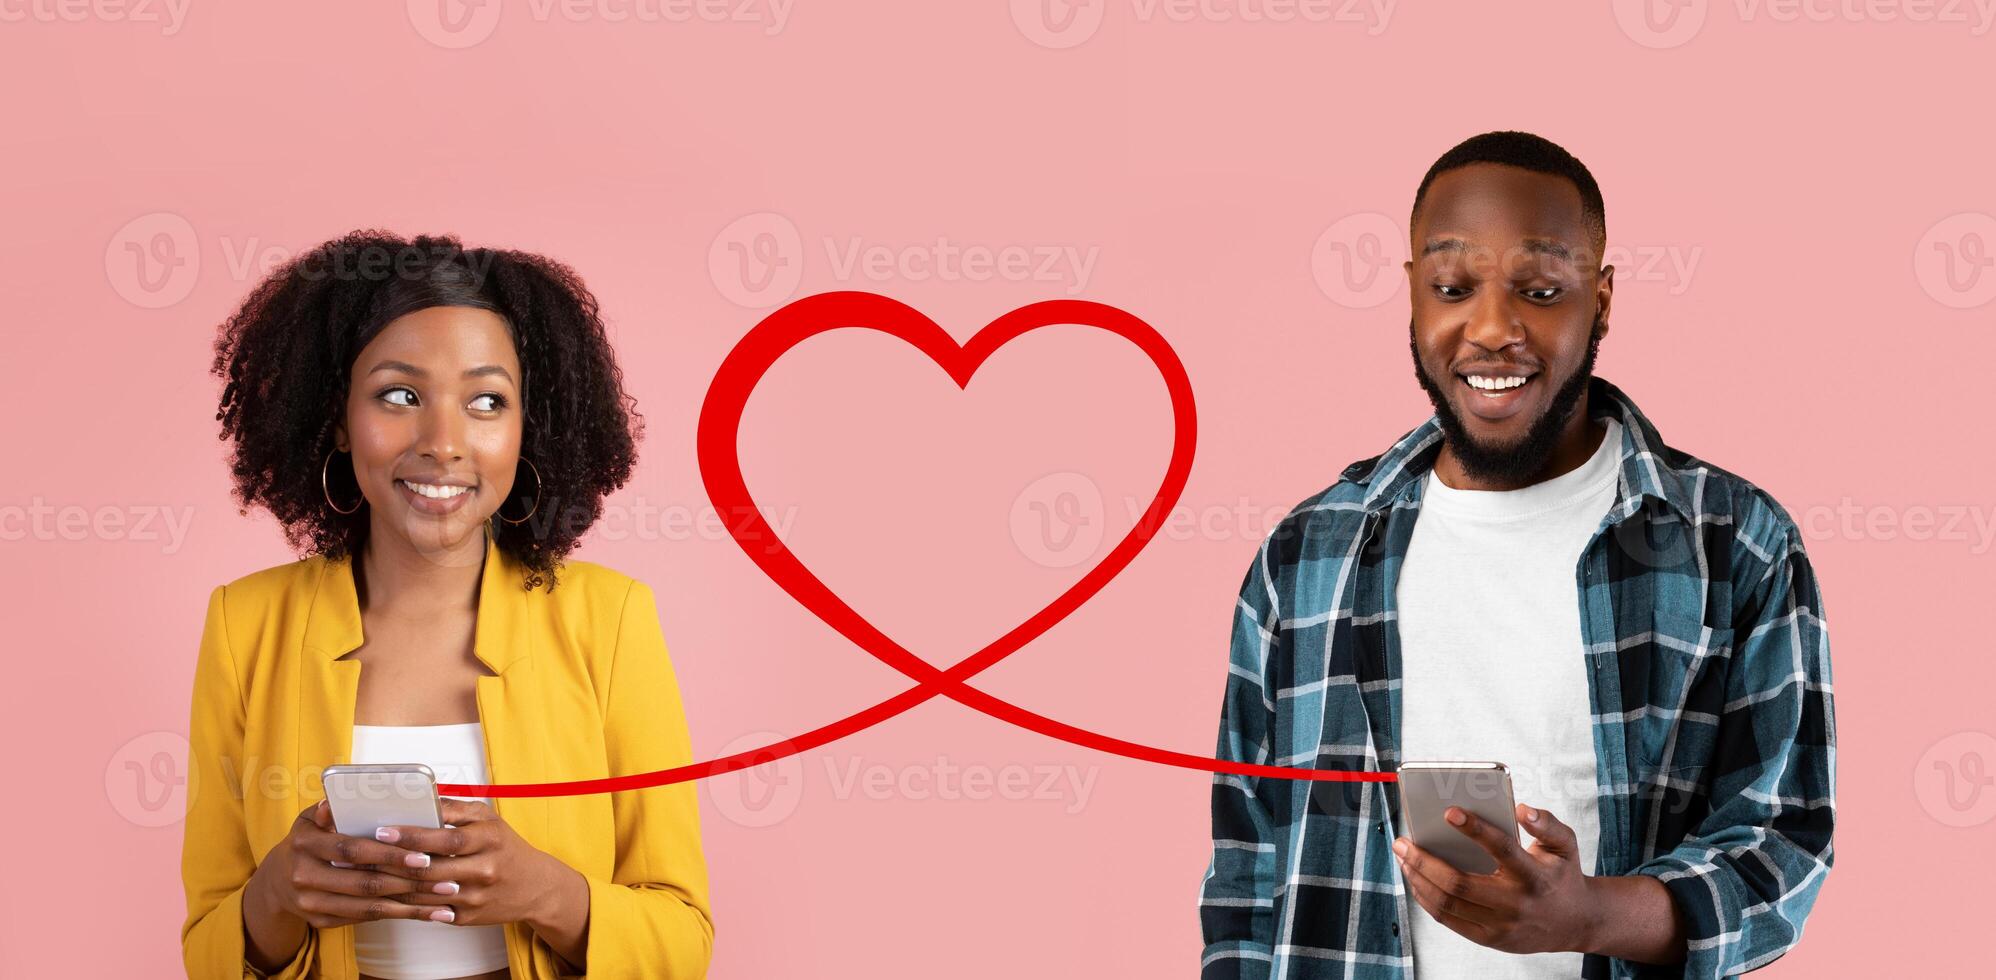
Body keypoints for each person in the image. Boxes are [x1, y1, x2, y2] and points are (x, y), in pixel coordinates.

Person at [1198, 132, 1835, 979]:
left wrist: (1592, 915)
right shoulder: (1306, 556)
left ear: (1601, 302)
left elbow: (1781, 849)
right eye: (1453, 287)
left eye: (1540, 289)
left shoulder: (1737, 545)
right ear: (1413, 298)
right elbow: (1247, 868)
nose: (1493, 328)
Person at [182, 232, 714, 979]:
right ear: (336, 417)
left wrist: (546, 892)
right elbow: (207, 945)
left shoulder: (611, 621)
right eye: (399, 395)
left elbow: (683, 941)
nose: (443, 441)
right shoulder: (246, 625)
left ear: (529, 425)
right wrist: (276, 893)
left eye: (487, 400)